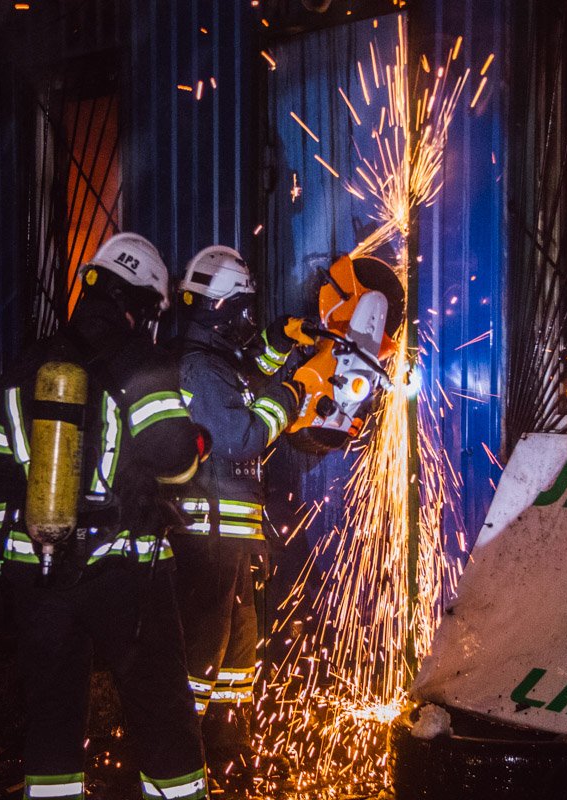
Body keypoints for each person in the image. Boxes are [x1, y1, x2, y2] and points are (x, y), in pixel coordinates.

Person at [0, 233, 212, 800]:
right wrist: (197, 443)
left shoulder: (25, 365)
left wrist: (20, 556)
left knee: (53, 722)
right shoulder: (139, 362)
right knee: (160, 713)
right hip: (122, 575)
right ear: (145, 305)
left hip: (37, 575)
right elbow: (174, 460)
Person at [170, 245, 310, 782]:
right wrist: (292, 395)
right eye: (246, 311)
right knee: (204, 652)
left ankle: (226, 748)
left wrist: (279, 345)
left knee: (236, 653)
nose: (248, 322)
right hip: (209, 537)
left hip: (234, 537)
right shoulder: (200, 368)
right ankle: (181, 755)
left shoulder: (222, 363)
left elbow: (249, 379)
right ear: (223, 307)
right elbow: (241, 434)